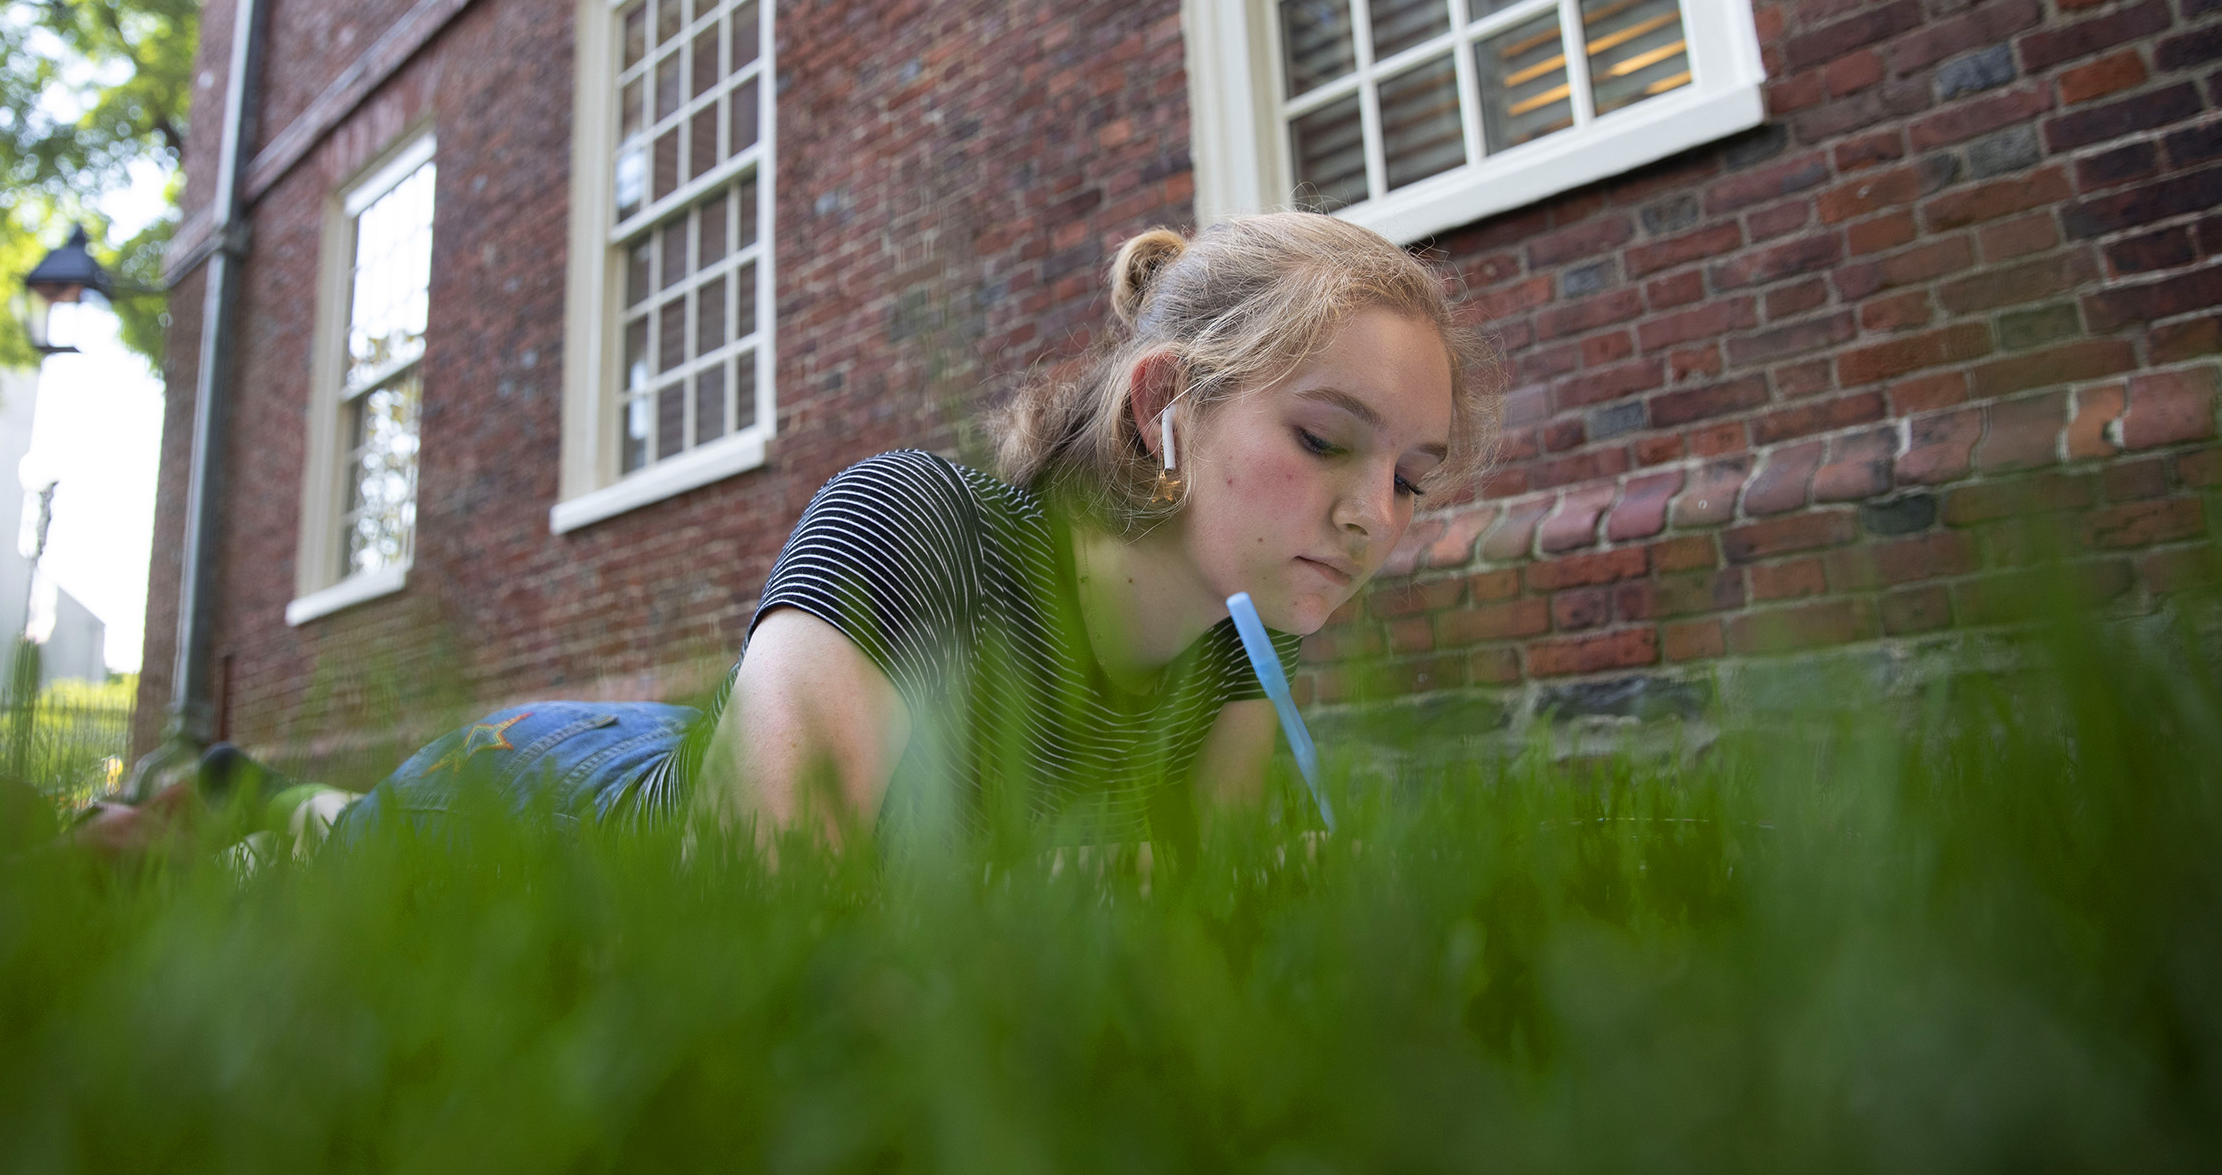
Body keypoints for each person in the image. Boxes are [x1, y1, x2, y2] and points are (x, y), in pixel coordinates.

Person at [323, 211, 1497, 850]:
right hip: (542, 785)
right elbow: (758, 909)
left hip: (709, 728)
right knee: (295, 868)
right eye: (1323, 438)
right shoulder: (917, 525)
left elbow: (1219, 927)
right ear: (1161, 407)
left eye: (1413, 477)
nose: (1370, 514)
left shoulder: (1247, 643)